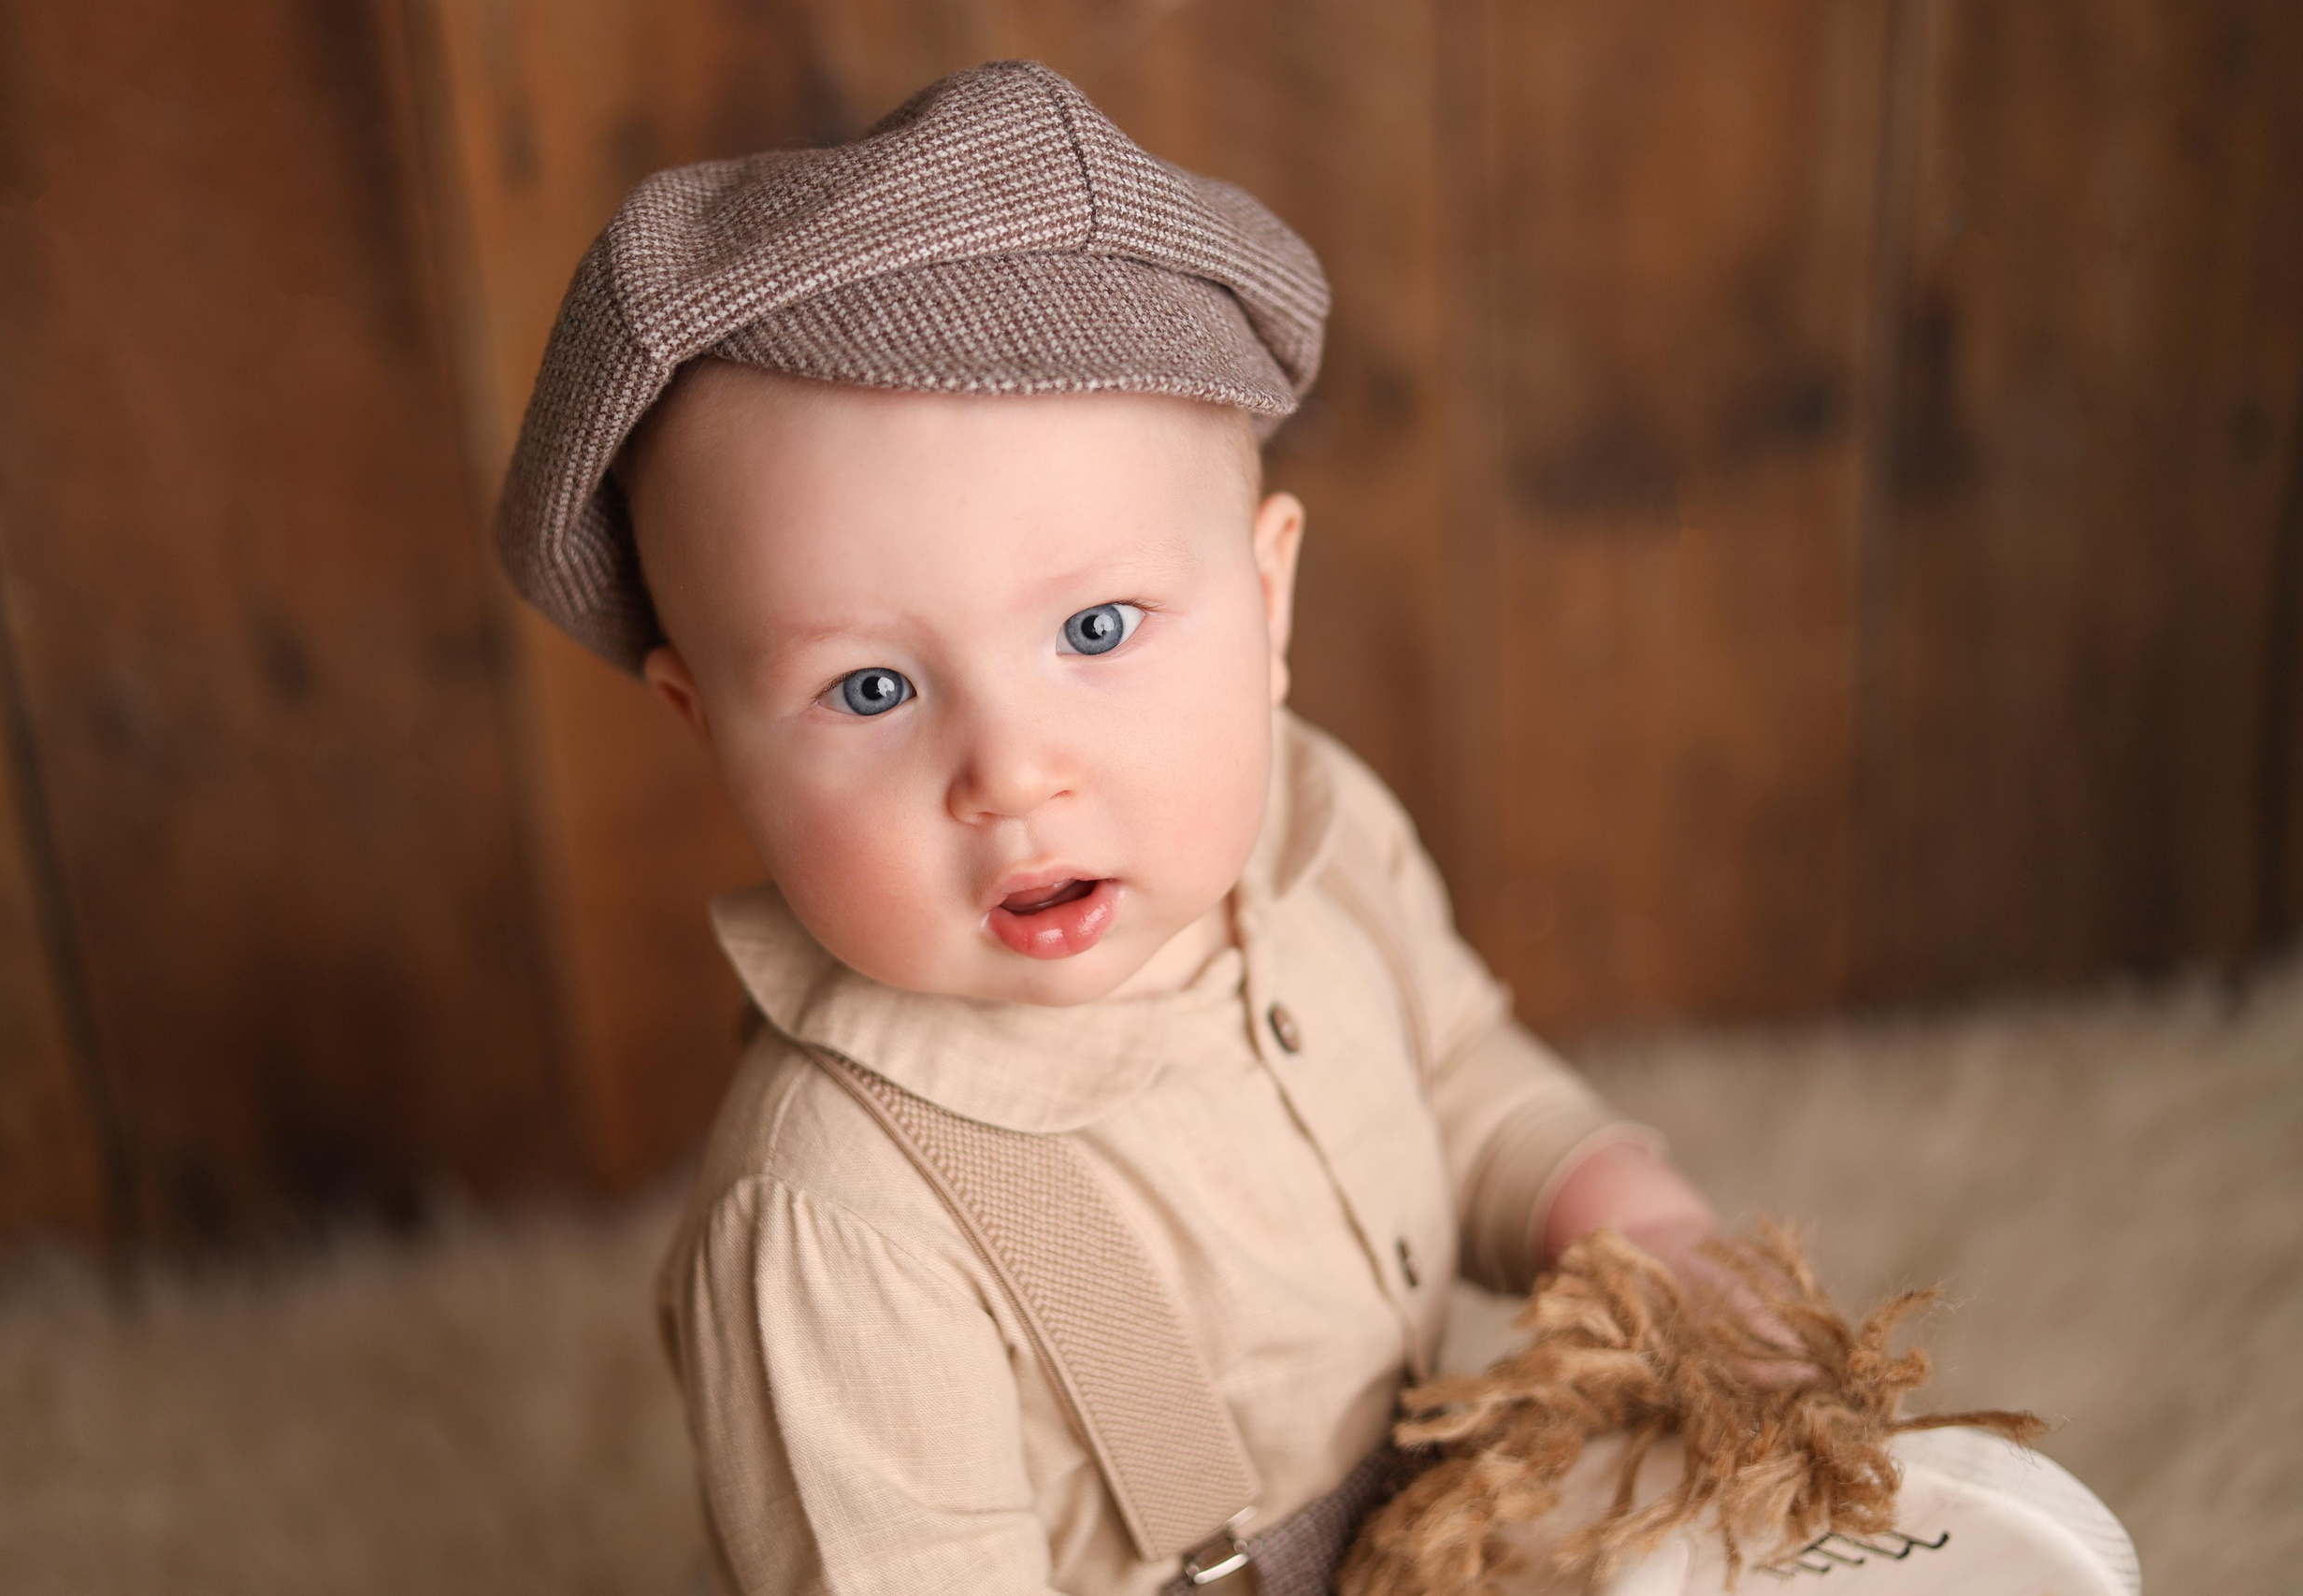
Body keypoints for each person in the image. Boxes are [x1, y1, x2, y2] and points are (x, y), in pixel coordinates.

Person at [496, 60, 1735, 1596]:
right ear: (710, 734)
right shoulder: (839, 1215)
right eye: (870, 686)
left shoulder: (1321, 834)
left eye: (1094, 630)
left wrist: (1634, 1224)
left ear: (1268, 605)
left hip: (1439, 1539)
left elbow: (1457, 1076)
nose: (1011, 774)